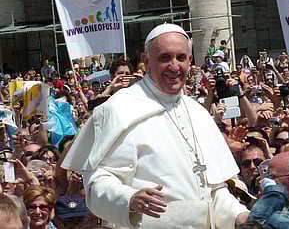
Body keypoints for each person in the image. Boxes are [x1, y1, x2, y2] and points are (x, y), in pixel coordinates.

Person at [62, 23, 248, 228]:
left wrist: (239, 216)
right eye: (165, 58)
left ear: (190, 60)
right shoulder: (118, 110)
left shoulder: (198, 113)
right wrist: (130, 199)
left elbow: (214, 191)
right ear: (146, 61)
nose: (174, 66)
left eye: (181, 57)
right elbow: (96, 184)